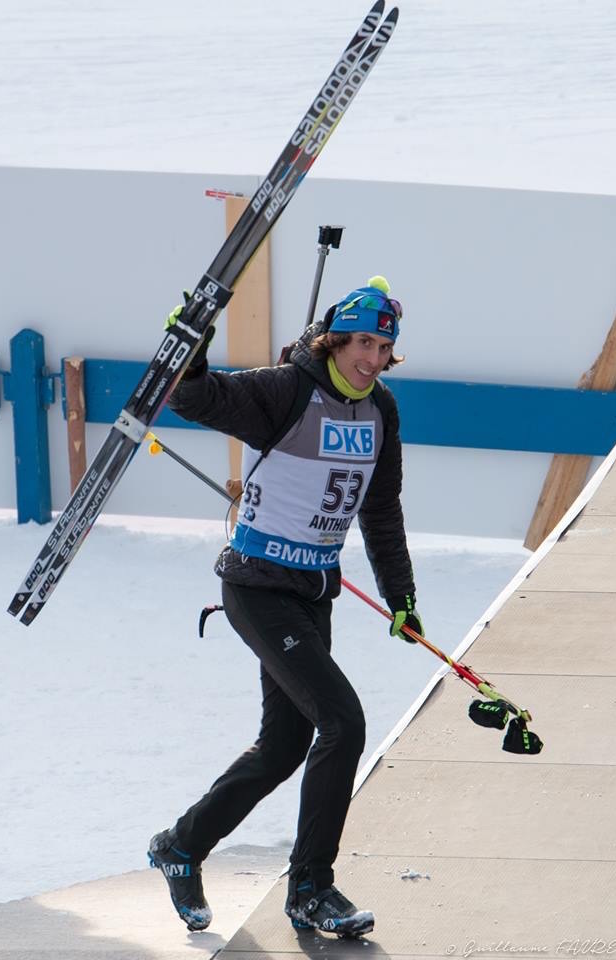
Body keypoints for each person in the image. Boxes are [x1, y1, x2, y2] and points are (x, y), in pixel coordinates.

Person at [148, 275, 423, 939]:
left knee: (284, 746)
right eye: (361, 341)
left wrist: (401, 594)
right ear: (335, 339)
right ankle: (310, 888)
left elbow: (379, 510)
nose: (370, 356)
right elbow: (194, 397)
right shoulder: (287, 389)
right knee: (343, 721)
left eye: (383, 346)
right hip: (255, 586)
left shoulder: (380, 410)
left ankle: (180, 845)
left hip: (310, 593)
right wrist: (193, 344)